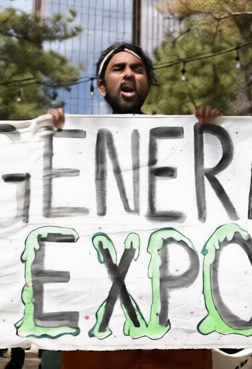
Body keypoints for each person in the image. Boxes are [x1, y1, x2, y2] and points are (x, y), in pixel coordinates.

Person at [46, 42, 219, 369]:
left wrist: (214, 135)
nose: (128, 74)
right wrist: (49, 138)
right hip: (100, 316)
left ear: (148, 83)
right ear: (102, 86)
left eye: (137, 69)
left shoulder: (183, 142)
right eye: (119, 68)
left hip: (173, 312)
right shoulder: (75, 143)